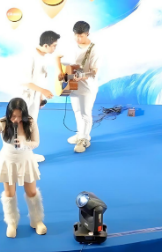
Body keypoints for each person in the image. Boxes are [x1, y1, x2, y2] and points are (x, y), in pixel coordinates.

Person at [0, 98, 46, 238]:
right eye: (13, 116)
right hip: (8, 161)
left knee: (32, 192)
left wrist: (25, 142)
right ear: (8, 113)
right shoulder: (2, 122)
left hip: (26, 160)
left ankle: (37, 221)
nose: (16, 119)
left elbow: (36, 142)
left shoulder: (30, 122)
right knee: (9, 193)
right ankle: (11, 223)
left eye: (19, 116)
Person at [61, 20, 100, 153]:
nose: (78, 38)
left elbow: (94, 70)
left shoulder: (94, 49)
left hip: (88, 86)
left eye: (81, 36)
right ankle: (80, 134)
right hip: (73, 85)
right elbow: (66, 63)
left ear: (88, 34)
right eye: (76, 35)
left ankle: (85, 138)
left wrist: (82, 76)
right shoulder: (72, 46)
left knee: (85, 113)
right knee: (77, 111)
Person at [18, 31, 60, 124]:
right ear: (45, 45)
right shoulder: (30, 56)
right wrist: (43, 91)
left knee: (32, 123)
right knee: (21, 123)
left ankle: (29, 138)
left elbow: (41, 80)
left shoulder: (43, 57)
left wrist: (40, 98)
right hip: (25, 96)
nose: (55, 48)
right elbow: (25, 82)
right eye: (54, 46)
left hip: (36, 96)